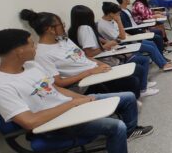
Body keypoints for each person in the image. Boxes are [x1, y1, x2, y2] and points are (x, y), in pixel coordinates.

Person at [0, 29, 153, 153]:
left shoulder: (31, 66)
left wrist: (83, 98)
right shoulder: (3, 85)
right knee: (116, 126)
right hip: (53, 125)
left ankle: (131, 130)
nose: (36, 47)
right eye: (32, 44)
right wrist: (72, 104)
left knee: (127, 97)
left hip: (69, 106)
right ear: (19, 50)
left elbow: (55, 89)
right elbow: (29, 122)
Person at [19, 9, 149, 98]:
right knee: (132, 82)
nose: (64, 26)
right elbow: (58, 83)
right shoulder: (42, 54)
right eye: (61, 24)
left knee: (134, 75)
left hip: (97, 72)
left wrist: (100, 64)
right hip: (86, 83)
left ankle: (128, 103)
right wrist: (90, 72)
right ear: (50, 29)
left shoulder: (64, 39)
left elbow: (84, 56)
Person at [67, 5, 153, 99]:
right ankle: (142, 89)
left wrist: (106, 45)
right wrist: (105, 46)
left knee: (143, 57)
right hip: (104, 60)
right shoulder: (85, 29)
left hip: (107, 56)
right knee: (139, 67)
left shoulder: (78, 29)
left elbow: (100, 42)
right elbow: (89, 53)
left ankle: (143, 86)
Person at [97, 2, 172, 72]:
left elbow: (123, 33)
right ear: (111, 13)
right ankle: (163, 65)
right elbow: (122, 37)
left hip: (127, 40)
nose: (119, 15)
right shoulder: (103, 25)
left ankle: (163, 62)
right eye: (118, 14)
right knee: (150, 48)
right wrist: (119, 21)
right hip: (121, 46)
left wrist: (127, 34)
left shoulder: (110, 20)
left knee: (151, 43)